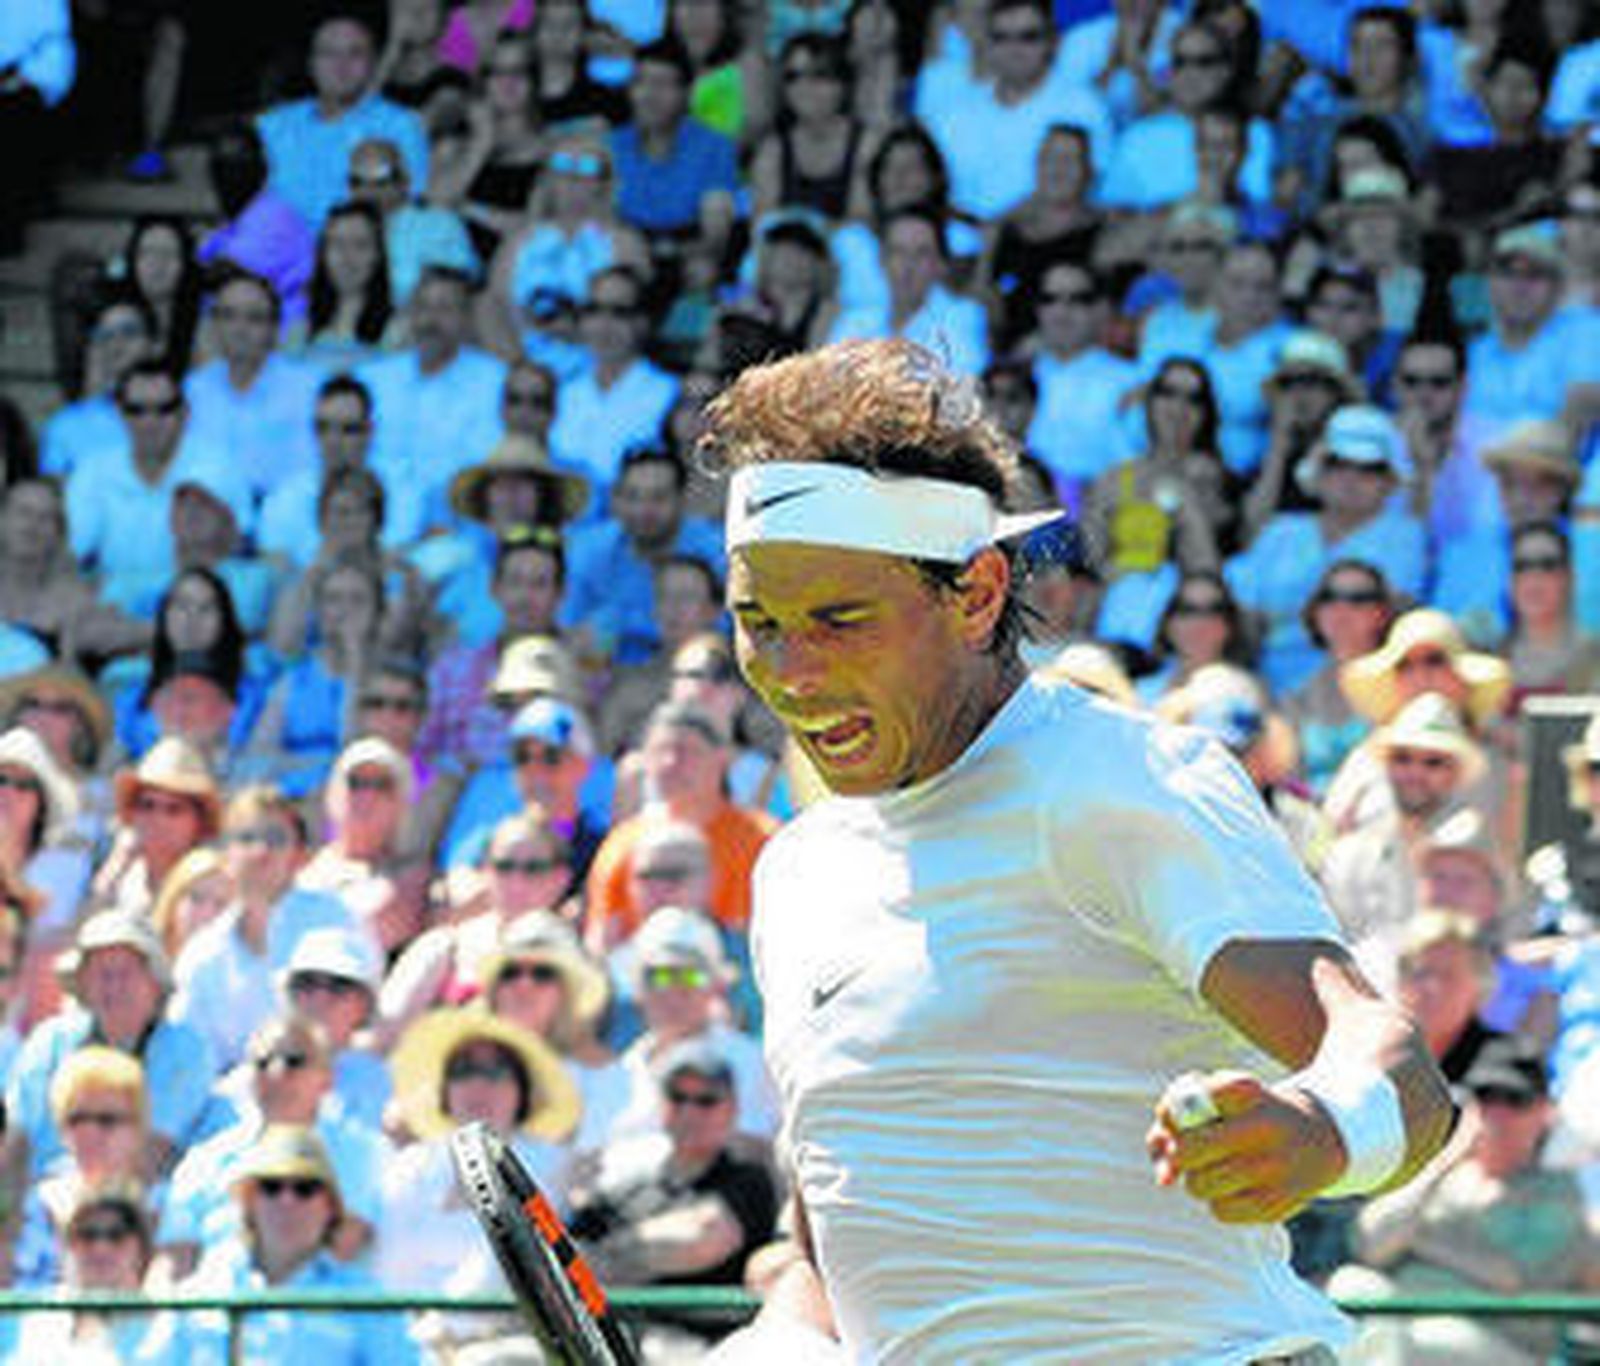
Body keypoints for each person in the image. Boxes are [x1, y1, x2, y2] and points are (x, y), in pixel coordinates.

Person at [698, 337, 1453, 1361]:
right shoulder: (794, 874)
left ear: (973, 593)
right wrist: (777, 1336)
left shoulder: (1121, 779)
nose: (789, 671)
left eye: (838, 618)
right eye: (758, 622)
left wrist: (1320, 1132)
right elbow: (842, 1229)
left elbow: (1402, 1077)